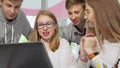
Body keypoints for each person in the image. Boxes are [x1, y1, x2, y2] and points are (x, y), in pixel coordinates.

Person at [80, 0, 120, 68]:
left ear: (102, 13)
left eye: (88, 12)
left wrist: (91, 52)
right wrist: (83, 56)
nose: (85, 17)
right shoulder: (95, 43)